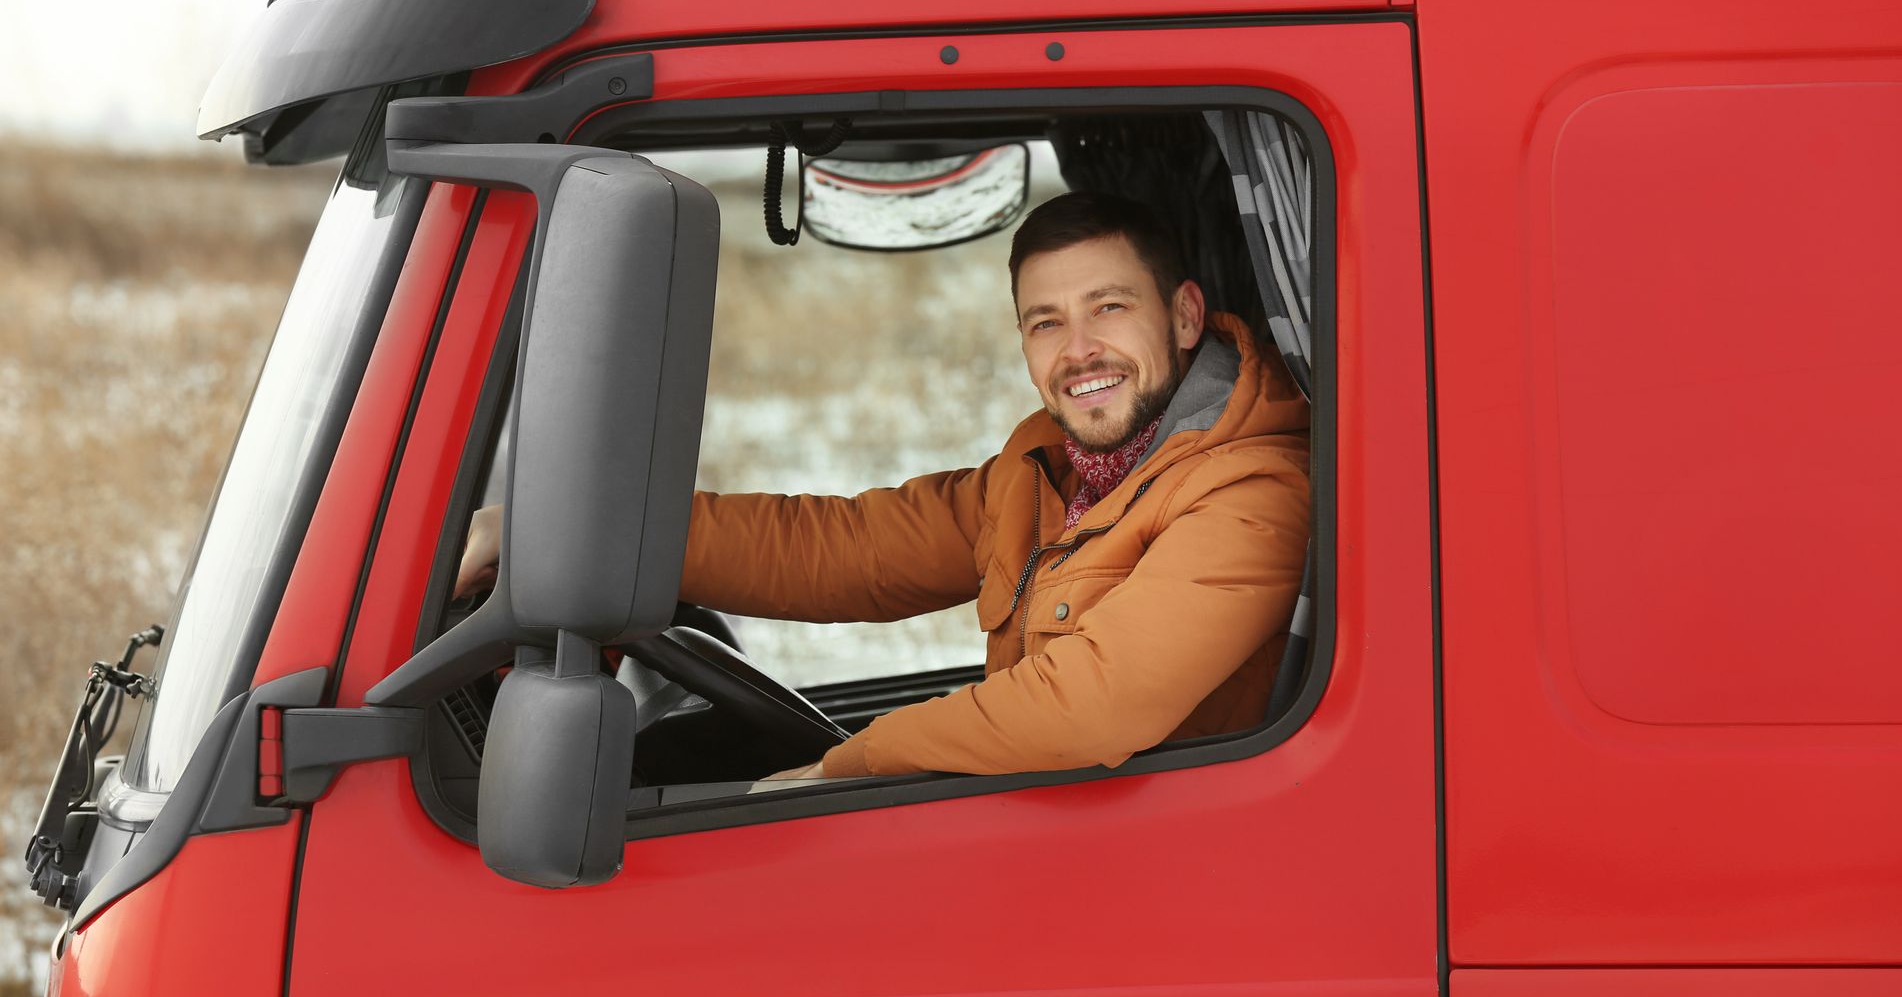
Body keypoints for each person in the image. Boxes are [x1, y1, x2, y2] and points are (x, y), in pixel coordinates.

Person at [457, 191, 1310, 780]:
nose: (1078, 349)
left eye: (1110, 308)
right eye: (1046, 322)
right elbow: (845, 549)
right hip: (1057, 840)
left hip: (1167, 881)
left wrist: (844, 767)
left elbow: (1091, 706)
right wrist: (543, 532)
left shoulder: (1254, 490)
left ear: (1187, 316)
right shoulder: (1045, 468)